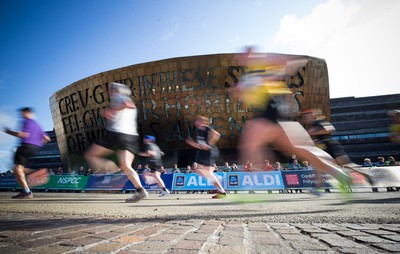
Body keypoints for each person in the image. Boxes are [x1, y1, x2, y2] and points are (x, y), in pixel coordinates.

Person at [234, 47, 352, 195]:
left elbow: (292, 62)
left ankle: (254, 187)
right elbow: (250, 94)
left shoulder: (259, 63)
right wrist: (242, 90)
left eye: (244, 54)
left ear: (250, 54)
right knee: (300, 150)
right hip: (277, 114)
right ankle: (340, 175)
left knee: (249, 144)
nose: (241, 58)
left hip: (270, 110)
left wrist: (275, 70)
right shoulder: (249, 74)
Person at [84, 82, 148, 203]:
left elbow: (126, 105)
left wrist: (112, 112)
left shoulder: (118, 98)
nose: (109, 92)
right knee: (126, 165)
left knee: (90, 155)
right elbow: (129, 106)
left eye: (110, 90)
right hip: (131, 136)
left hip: (117, 134)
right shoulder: (126, 99)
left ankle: (112, 169)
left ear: (114, 91)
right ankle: (141, 191)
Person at [3, 107, 50, 199]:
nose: (22, 115)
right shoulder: (37, 124)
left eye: (23, 113)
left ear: (27, 113)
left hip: (25, 146)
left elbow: (23, 134)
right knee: (17, 168)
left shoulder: (27, 122)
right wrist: (38, 143)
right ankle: (36, 172)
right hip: (35, 148)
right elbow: (47, 139)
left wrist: (8, 131)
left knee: (17, 169)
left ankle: (27, 192)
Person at [186, 115, 227, 198]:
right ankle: (221, 191)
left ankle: (217, 180)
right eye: (196, 121)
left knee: (198, 169)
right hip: (204, 152)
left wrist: (209, 144)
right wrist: (193, 144)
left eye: (197, 121)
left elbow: (217, 135)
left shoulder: (205, 128)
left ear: (202, 122)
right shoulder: (199, 130)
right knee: (206, 173)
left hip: (208, 153)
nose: (196, 122)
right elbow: (201, 145)